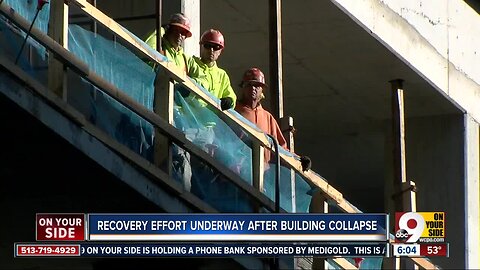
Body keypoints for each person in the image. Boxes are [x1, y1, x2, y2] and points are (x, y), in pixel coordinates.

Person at [234, 67, 311, 171]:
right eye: (249, 85)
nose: (253, 88)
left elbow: (281, 149)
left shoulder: (267, 117)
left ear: (262, 90)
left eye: (257, 86)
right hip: (236, 172)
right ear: (243, 87)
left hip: (262, 178)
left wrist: (299, 160)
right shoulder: (233, 111)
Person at [189, 29, 237, 111]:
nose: (211, 50)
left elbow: (230, 95)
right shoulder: (191, 64)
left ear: (220, 51)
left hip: (212, 121)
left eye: (216, 47)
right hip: (190, 118)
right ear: (201, 46)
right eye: (208, 46)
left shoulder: (222, 75)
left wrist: (230, 100)